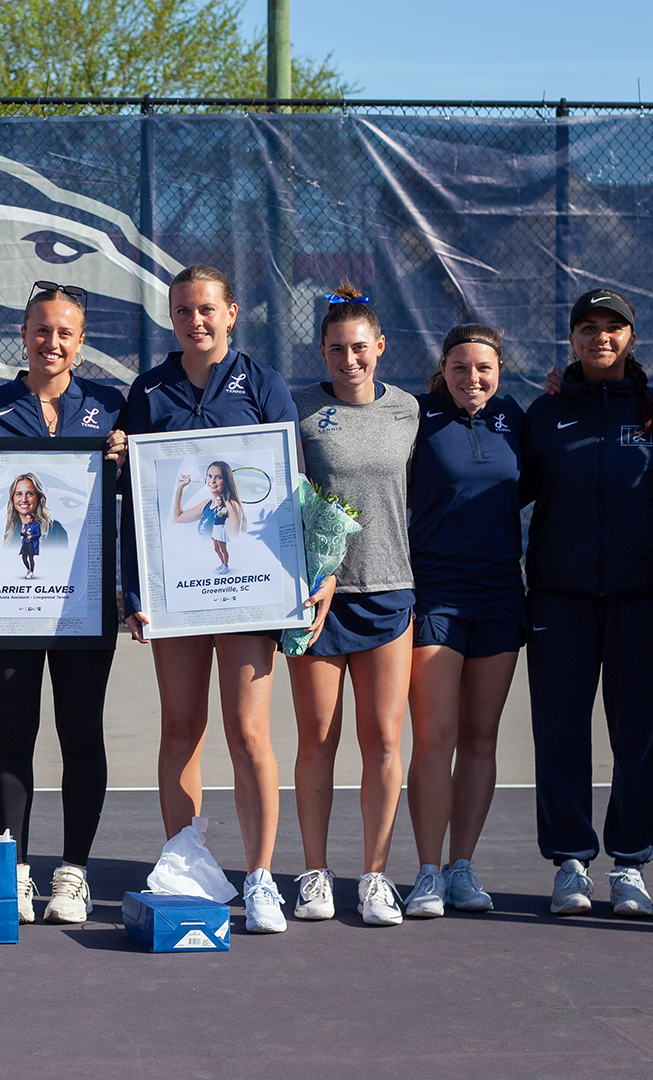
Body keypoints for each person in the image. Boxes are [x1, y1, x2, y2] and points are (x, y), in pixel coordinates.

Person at [120, 265, 334, 934]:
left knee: (248, 731)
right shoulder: (148, 391)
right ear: (173, 318)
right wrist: (135, 589)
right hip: (176, 595)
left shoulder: (263, 384)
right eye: (184, 311)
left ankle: (261, 878)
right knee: (181, 729)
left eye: (207, 309)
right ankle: (185, 867)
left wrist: (310, 574)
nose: (196, 321)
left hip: (250, 592)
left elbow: (291, 486)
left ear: (232, 313)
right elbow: (137, 504)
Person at [0, 282, 126, 924]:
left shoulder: (112, 407)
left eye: (64, 332)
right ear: (22, 335)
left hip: (83, 602)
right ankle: (17, 872)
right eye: (40, 330)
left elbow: (139, 496)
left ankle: (74, 874)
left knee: (82, 732)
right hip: (8, 605)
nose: (51, 342)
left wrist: (124, 457)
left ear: (80, 341)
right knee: (12, 732)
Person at [522, 288, 653, 918]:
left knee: (640, 734)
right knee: (559, 730)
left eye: (613, 328)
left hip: (644, 598)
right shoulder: (545, 412)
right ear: (572, 340)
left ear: (631, 338)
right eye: (588, 328)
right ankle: (569, 861)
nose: (601, 338)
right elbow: (506, 492)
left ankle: (632, 863)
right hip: (560, 598)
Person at [287, 285, 420, 927]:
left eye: (360, 347)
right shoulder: (299, 411)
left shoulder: (410, 412)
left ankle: (374, 876)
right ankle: (313, 875)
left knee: (383, 741)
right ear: (322, 350)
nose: (350, 359)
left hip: (391, 592)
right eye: (337, 348)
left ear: (380, 348)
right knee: (318, 739)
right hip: (316, 600)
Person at [403, 324, 527, 918]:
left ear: (499, 370)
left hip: (502, 596)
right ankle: (427, 871)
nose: (471, 379)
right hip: (436, 596)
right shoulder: (415, 418)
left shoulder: (516, 419)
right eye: (459, 368)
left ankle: (461, 868)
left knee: (481, 738)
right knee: (434, 738)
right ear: (442, 369)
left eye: (483, 368)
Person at [170, 463, 245, 575]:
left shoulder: (230, 506)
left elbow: (235, 543)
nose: (213, 481)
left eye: (218, 477)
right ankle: (222, 563)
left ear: (226, 481)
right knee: (216, 549)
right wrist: (180, 487)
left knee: (222, 549)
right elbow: (177, 518)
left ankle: (226, 565)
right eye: (210, 476)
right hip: (205, 559)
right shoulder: (206, 504)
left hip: (217, 544)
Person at [5, 474, 65, 578]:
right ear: (13, 498)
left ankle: (31, 571)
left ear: (39, 497)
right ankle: (29, 570)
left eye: (30, 494)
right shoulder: (10, 529)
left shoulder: (55, 529)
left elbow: (63, 566)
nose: (24, 499)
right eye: (19, 494)